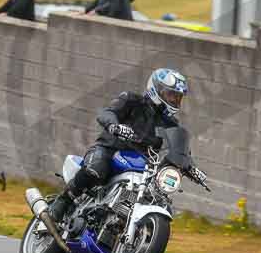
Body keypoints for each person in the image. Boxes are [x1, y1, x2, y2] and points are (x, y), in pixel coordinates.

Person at [48, 69, 191, 231]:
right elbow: (107, 113)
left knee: (159, 199)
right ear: (156, 89)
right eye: (171, 95)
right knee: (96, 169)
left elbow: (180, 148)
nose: (175, 100)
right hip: (109, 149)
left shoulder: (171, 124)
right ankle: (64, 200)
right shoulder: (132, 100)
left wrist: (187, 164)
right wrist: (115, 126)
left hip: (140, 164)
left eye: (178, 97)